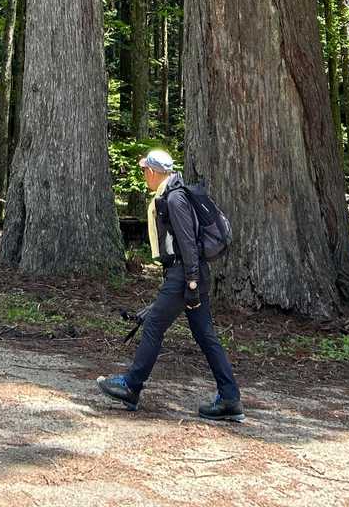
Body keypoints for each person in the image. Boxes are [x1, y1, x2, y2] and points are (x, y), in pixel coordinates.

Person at [96, 148, 244, 421]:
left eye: (144, 171)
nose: (143, 175)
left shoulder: (175, 199)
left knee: (154, 325)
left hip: (185, 275)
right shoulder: (173, 194)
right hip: (189, 274)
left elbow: (187, 243)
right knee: (205, 335)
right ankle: (229, 399)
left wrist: (191, 283)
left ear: (153, 172)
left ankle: (131, 386)